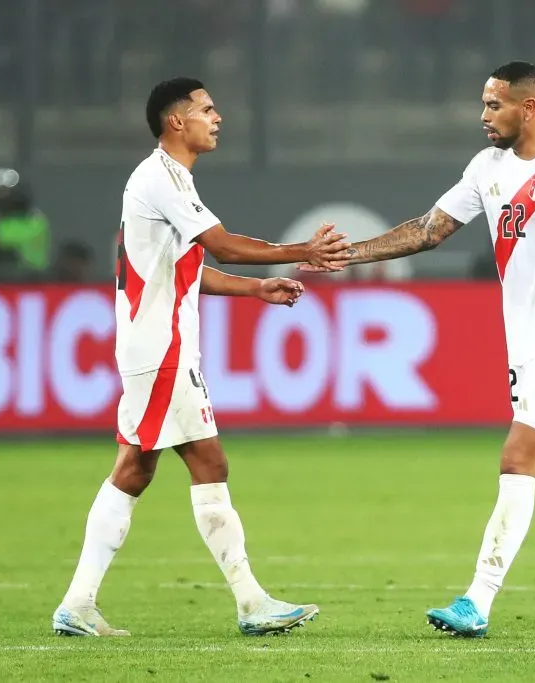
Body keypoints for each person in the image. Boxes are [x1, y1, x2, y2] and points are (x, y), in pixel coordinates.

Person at [304, 62, 535, 637]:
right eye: (484, 104)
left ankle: (477, 599)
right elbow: (428, 230)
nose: (484, 115)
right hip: (526, 343)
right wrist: (348, 255)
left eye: (494, 105)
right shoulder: (486, 167)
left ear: (529, 107)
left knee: (517, 457)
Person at [52, 77, 349, 637]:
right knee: (207, 463)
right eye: (207, 110)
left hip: (153, 346)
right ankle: (251, 602)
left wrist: (256, 289)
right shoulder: (161, 178)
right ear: (176, 121)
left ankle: (78, 603)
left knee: (134, 469)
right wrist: (302, 251)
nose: (218, 119)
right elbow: (224, 245)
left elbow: (189, 272)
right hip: (162, 348)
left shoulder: (167, 180)